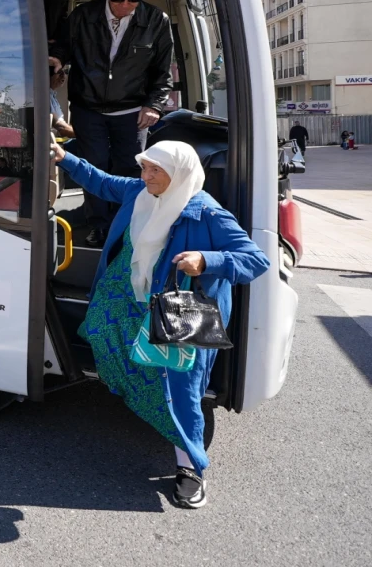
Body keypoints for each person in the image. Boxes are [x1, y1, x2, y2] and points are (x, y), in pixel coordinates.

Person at [51, 138, 270, 508]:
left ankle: (191, 468)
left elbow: (256, 259)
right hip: (132, 294)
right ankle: (140, 397)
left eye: (156, 170)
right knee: (104, 332)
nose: (146, 175)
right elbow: (101, 181)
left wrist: (206, 259)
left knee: (183, 383)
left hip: (180, 308)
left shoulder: (205, 212)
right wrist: (65, 158)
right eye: (145, 167)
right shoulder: (140, 191)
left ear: (179, 174)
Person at [53, 0, 174, 246]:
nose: (125, 5)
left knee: (131, 170)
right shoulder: (82, 16)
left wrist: (153, 105)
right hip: (87, 108)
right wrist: (57, 59)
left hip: (131, 112)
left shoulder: (157, 20)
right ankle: (99, 225)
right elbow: (63, 46)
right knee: (92, 168)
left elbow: (162, 71)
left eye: (134, 0)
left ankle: (126, 224)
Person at [49, 56, 75, 138]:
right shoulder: (44, 98)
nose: (63, 75)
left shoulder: (52, 95)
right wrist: (87, 135)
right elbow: (60, 127)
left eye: (64, 71)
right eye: (59, 72)